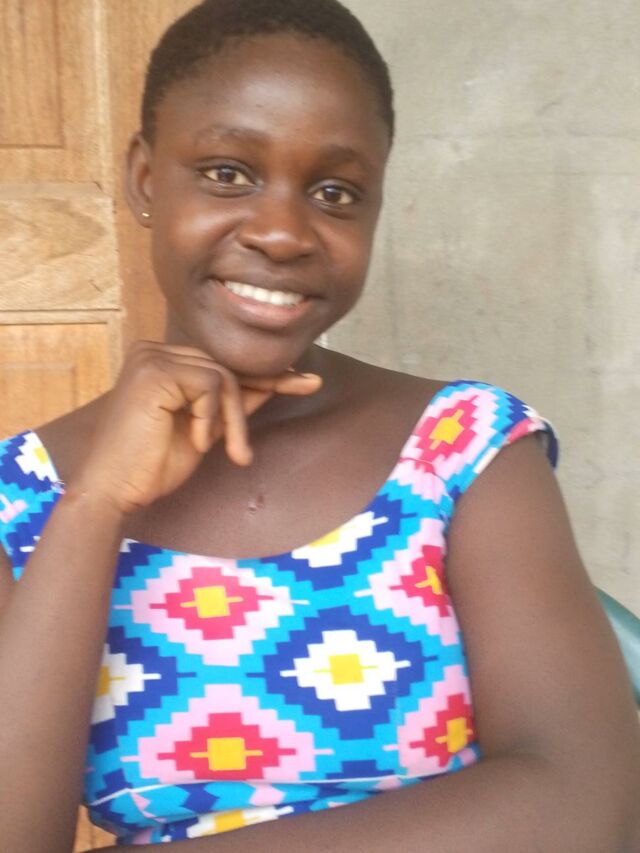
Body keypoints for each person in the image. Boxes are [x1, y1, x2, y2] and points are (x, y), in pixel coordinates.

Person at [0, 1, 638, 851]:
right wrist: (93, 508)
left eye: (335, 192)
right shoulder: (23, 499)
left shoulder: (462, 449)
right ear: (146, 180)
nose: (282, 233)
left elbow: (586, 803)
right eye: (228, 172)